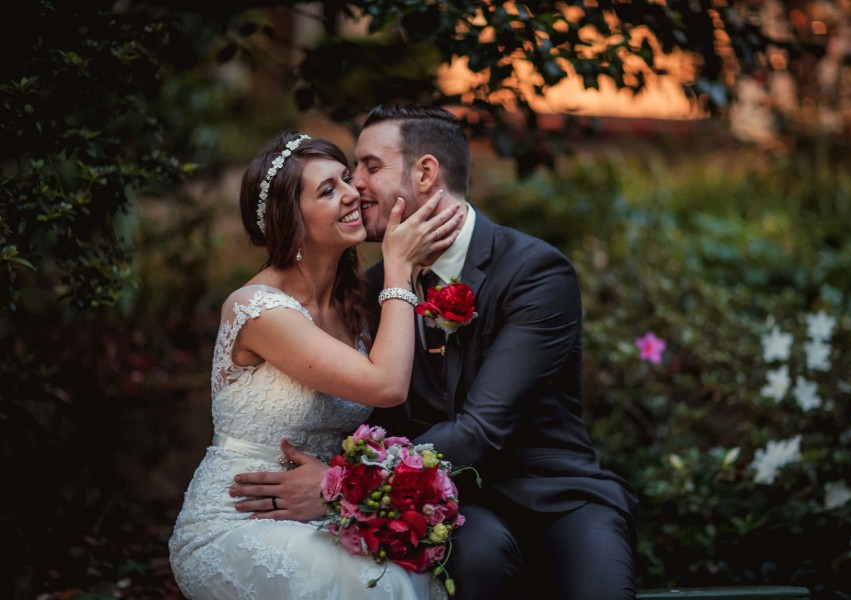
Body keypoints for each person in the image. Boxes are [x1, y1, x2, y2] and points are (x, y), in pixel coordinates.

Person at [230, 106, 639, 599]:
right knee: (473, 559)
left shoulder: (535, 273)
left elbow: (482, 428)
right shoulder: (376, 288)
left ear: (425, 173)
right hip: (448, 506)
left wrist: (343, 481)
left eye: (370, 167)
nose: (356, 185)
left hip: (554, 496)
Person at [168, 132, 464, 600]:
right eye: (328, 190)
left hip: (321, 511)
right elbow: (386, 385)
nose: (353, 193)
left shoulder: (354, 308)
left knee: (422, 572)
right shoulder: (260, 309)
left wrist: (337, 487)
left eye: (347, 178)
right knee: (379, 587)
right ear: (292, 221)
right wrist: (399, 266)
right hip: (238, 521)